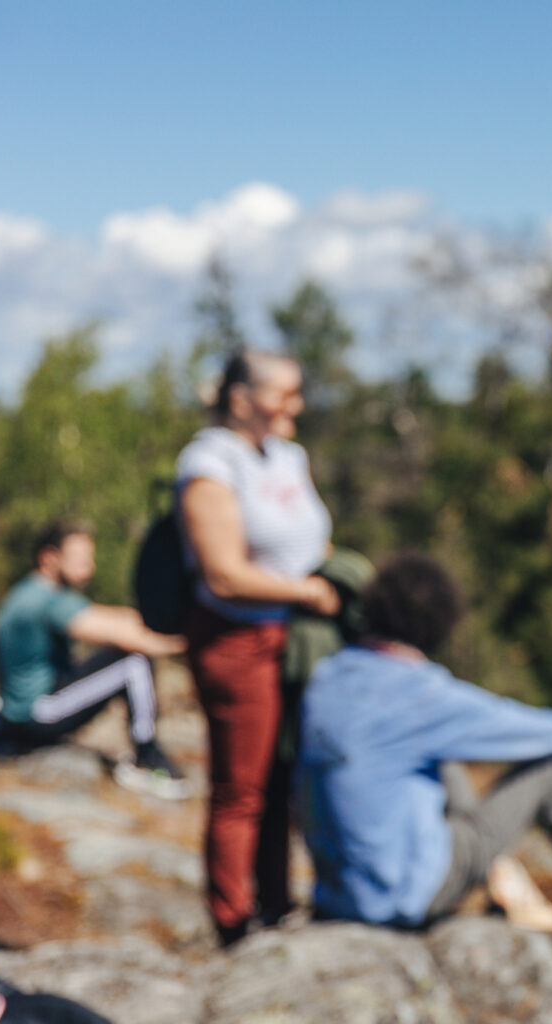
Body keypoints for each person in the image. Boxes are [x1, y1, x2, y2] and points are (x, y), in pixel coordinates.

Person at [297, 553, 552, 989]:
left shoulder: (327, 677)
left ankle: (502, 880)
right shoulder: (418, 694)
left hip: (339, 898)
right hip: (401, 897)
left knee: (434, 758)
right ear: (438, 624)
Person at [176, 349, 338, 946]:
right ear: (242, 399)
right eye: (284, 393)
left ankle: (277, 902)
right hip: (236, 640)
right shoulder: (208, 463)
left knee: (284, 776)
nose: (297, 405)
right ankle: (233, 920)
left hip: (294, 638)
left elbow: (313, 539)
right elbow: (223, 575)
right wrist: (306, 591)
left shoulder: (289, 456)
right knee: (242, 786)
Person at [0, 521, 189, 797]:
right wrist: (191, 641)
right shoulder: (46, 601)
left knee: (125, 657)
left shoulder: (34, 591)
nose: (90, 569)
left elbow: (113, 617)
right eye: (81, 560)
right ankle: (146, 756)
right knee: (133, 661)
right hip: (35, 716)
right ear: (49, 557)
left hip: (21, 714)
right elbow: (124, 635)